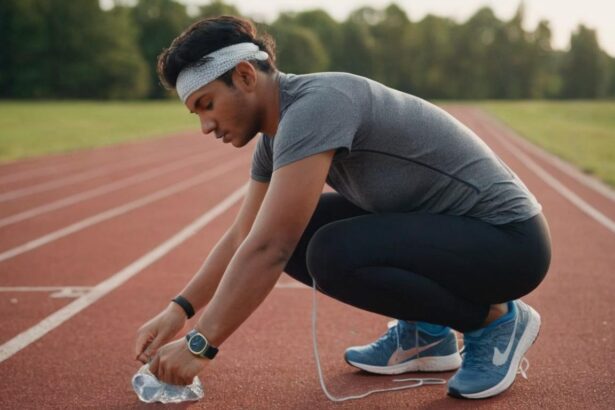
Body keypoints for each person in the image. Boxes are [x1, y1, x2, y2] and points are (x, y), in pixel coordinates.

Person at [134, 15, 551, 400]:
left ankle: (494, 321)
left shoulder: (318, 104)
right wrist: (180, 310)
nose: (205, 126)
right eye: (196, 114)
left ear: (245, 76)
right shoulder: (275, 138)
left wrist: (200, 344)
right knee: (305, 234)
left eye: (207, 104)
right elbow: (246, 236)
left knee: (328, 250)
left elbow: (269, 248)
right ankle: (426, 332)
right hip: (452, 231)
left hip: (509, 242)